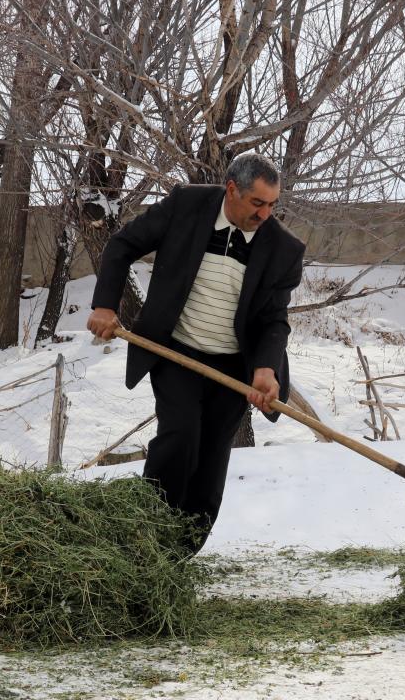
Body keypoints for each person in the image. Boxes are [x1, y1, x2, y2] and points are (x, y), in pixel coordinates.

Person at [86, 154, 305, 553]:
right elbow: (123, 245)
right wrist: (105, 305)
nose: (265, 214)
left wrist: (265, 370)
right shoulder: (186, 205)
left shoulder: (283, 249)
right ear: (232, 189)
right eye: (257, 203)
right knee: (180, 435)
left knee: (211, 456)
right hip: (176, 353)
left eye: (272, 205)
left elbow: (274, 320)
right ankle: (148, 532)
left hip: (233, 366)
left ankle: (181, 554)